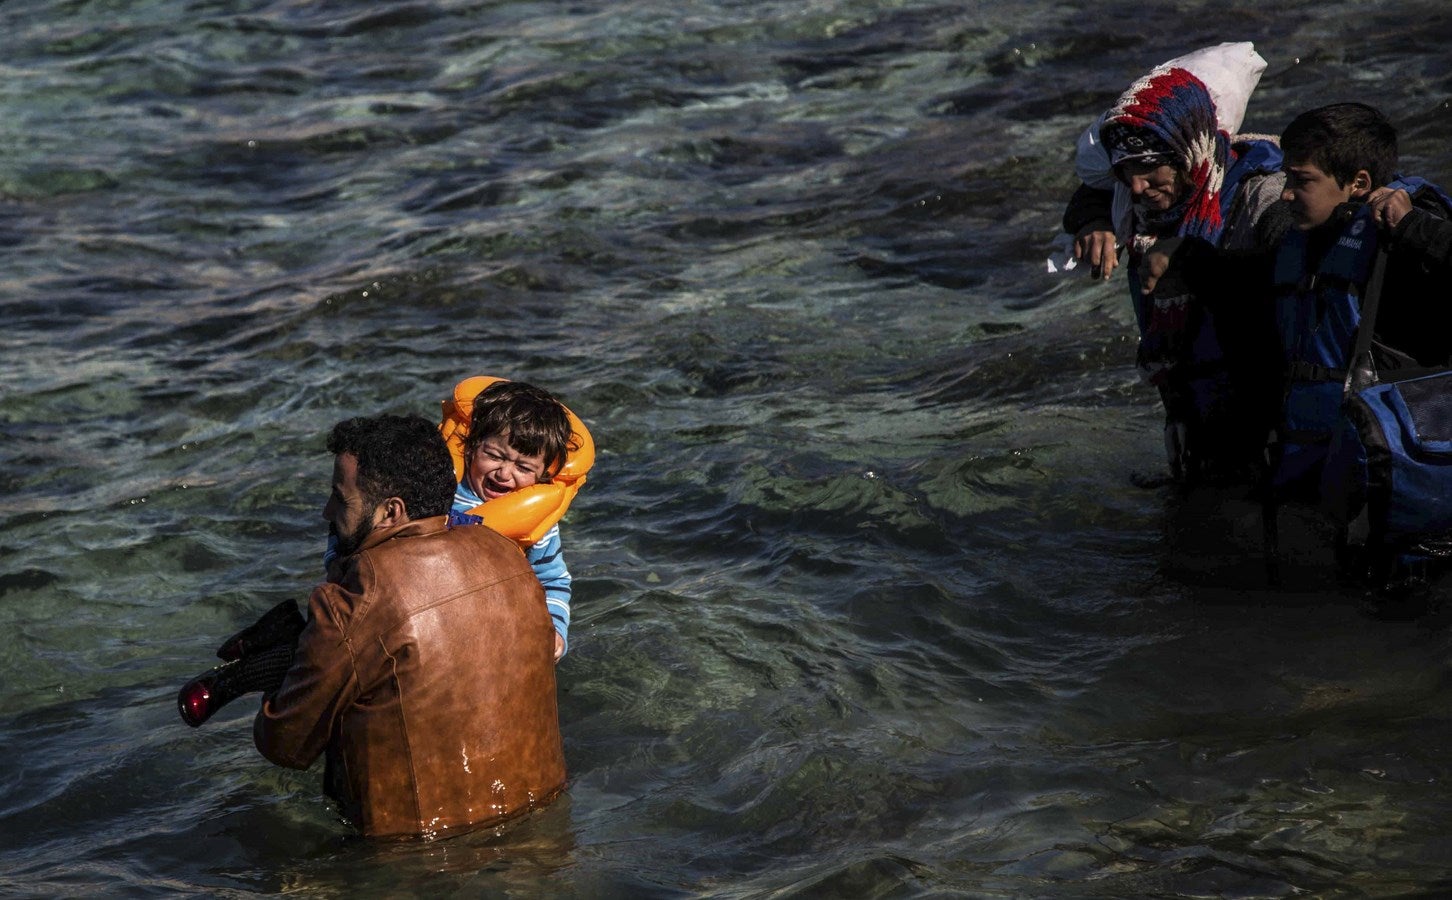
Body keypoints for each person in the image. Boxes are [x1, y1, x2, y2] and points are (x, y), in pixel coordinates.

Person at [1142, 102, 1452, 589]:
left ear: (1359, 183)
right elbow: (1249, 285)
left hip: (1404, 506)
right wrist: (1188, 255)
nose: (1284, 194)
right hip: (1331, 490)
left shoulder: (1402, 245)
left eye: (1300, 180)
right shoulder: (1306, 245)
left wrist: (1414, 227)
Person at [253, 413, 566, 839]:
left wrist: (284, 671)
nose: (327, 512)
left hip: (419, 854)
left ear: (391, 512)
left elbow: (284, 743)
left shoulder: (356, 599)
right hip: (539, 828)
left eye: (340, 500)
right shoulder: (510, 555)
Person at [1061, 59, 1292, 485]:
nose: (1136, 187)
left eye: (1148, 168)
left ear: (1189, 152)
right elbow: (1093, 194)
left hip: (1269, 427)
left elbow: (1293, 267)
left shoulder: (1264, 192)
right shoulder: (1141, 207)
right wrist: (1093, 221)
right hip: (1195, 423)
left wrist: (1187, 256)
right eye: (1125, 171)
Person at [450, 380, 577, 662]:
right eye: (494, 456)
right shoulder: (442, 489)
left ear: (544, 474)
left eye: (523, 467)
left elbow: (553, 581)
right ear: (471, 446)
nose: (504, 474)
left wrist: (555, 631)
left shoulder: (537, 522)